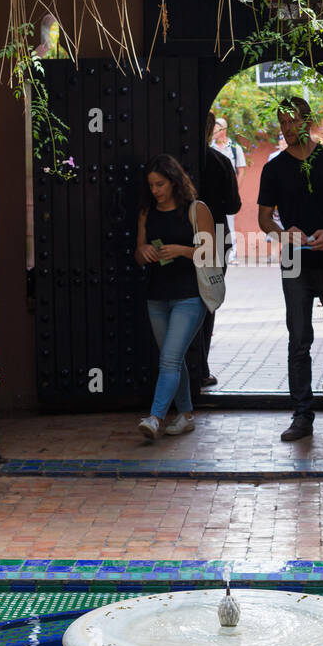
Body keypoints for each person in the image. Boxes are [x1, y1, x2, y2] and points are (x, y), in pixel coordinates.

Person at [257, 96, 323, 442]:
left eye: (292, 121)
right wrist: (283, 234)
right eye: (282, 123)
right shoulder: (274, 168)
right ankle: (302, 415)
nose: (286, 128)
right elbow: (263, 218)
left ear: (307, 121)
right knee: (299, 339)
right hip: (295, 260)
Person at [134, 154, 214, 441]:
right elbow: (138, 252)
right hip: (157, 296)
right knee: (173, 358)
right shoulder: (147, 211)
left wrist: (181, 250)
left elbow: (209, 252)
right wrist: (143, 252)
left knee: (168, 359)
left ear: (174, 181)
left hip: (189, 296)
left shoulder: (195, 209)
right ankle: (186, 416)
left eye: (160, 184)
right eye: (151, 185)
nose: (155, 190)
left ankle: (155, 418)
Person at [187, 111, 241, 390]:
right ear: (211, 130)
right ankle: (201, 368)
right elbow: (234, 205)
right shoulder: (220, 161)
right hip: (216, 238)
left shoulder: (178, 161)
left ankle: (184, 368)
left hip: (184, 238)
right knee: (208, 301)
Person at [211, 117, 246, 259]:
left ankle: (232, 252)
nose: (213, 131)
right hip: (214, 193)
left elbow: (241, 170)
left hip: (227, 192)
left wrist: (235, 190)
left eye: (216, 129)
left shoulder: (235, 148)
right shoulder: (210, 147)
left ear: (223, 130)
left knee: (230, 222)